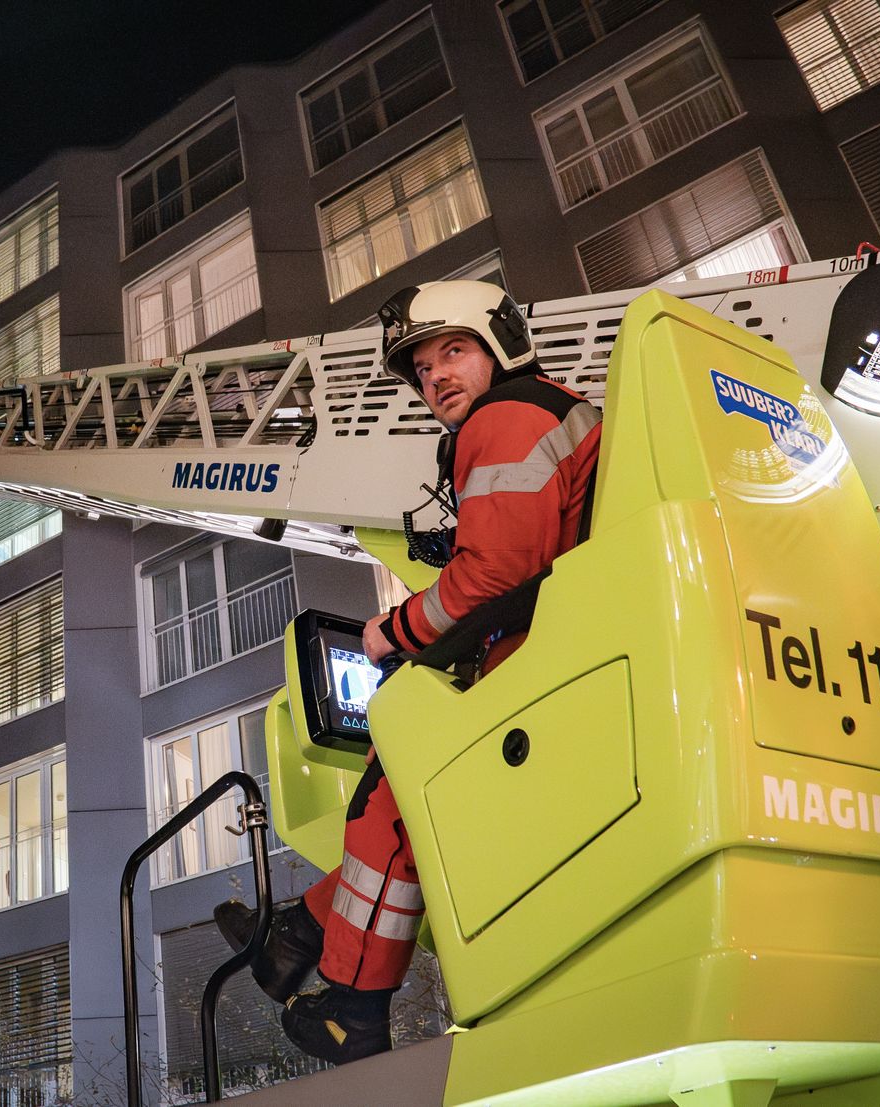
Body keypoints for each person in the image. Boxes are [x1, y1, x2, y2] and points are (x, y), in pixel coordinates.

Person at [214, 279, 601, 1064]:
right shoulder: (553, 412)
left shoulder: (505, 418)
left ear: (498, 344)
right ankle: (296, 935)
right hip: (559, 648)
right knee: (396, 805)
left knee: (397, 805)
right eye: (422, 369)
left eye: (453, 352)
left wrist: (392, 631)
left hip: (538, 657)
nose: (436, 380)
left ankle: (350, 1010)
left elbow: (493, 573)